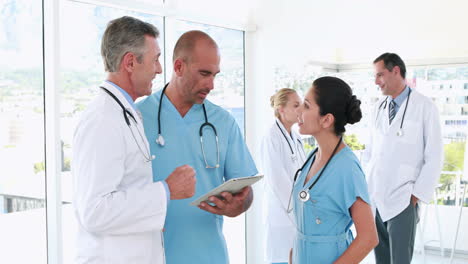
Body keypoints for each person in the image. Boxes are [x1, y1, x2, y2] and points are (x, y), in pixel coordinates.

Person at [72, 16, 196, 264]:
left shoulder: (125, 113)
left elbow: (125, 191)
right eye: (155, 59)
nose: (160, 69)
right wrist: (166, 190)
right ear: (130, 62)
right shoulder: (103, 120)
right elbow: (94, 211)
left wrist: (149, 217)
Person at [137, 30, 258, 264]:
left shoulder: (223, 121)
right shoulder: (138, 117)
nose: (211, 84)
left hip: (209, 255)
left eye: (215, 75)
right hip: (151, 255)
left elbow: (245, 189)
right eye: (204, 74)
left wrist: (238, 205)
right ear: (179, 66)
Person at [363, 53, 443, 264]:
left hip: (403, 198)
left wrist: (415, 196)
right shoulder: (378, 108)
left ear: (396, 71)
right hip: (376, 195)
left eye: (380, 75)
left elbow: (434, 156)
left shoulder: (425, 107)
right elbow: (370, 152)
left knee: (399, 259)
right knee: (381, 258)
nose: (376, 81)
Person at [290, 76, 378, 264]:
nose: (298, 111)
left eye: (306, 105)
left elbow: (369, 237)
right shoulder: (312, 157)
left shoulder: (347, 168)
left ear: (326, 119)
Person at [260, 88, 305, 264]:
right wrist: (298, 210)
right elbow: (277, 181)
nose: (300, 109)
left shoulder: (296, 136)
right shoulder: (271, 137)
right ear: (281, 109)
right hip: (282, 215)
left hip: (298, 213)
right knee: (282, 258)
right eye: (296, 105)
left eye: (301, 104)